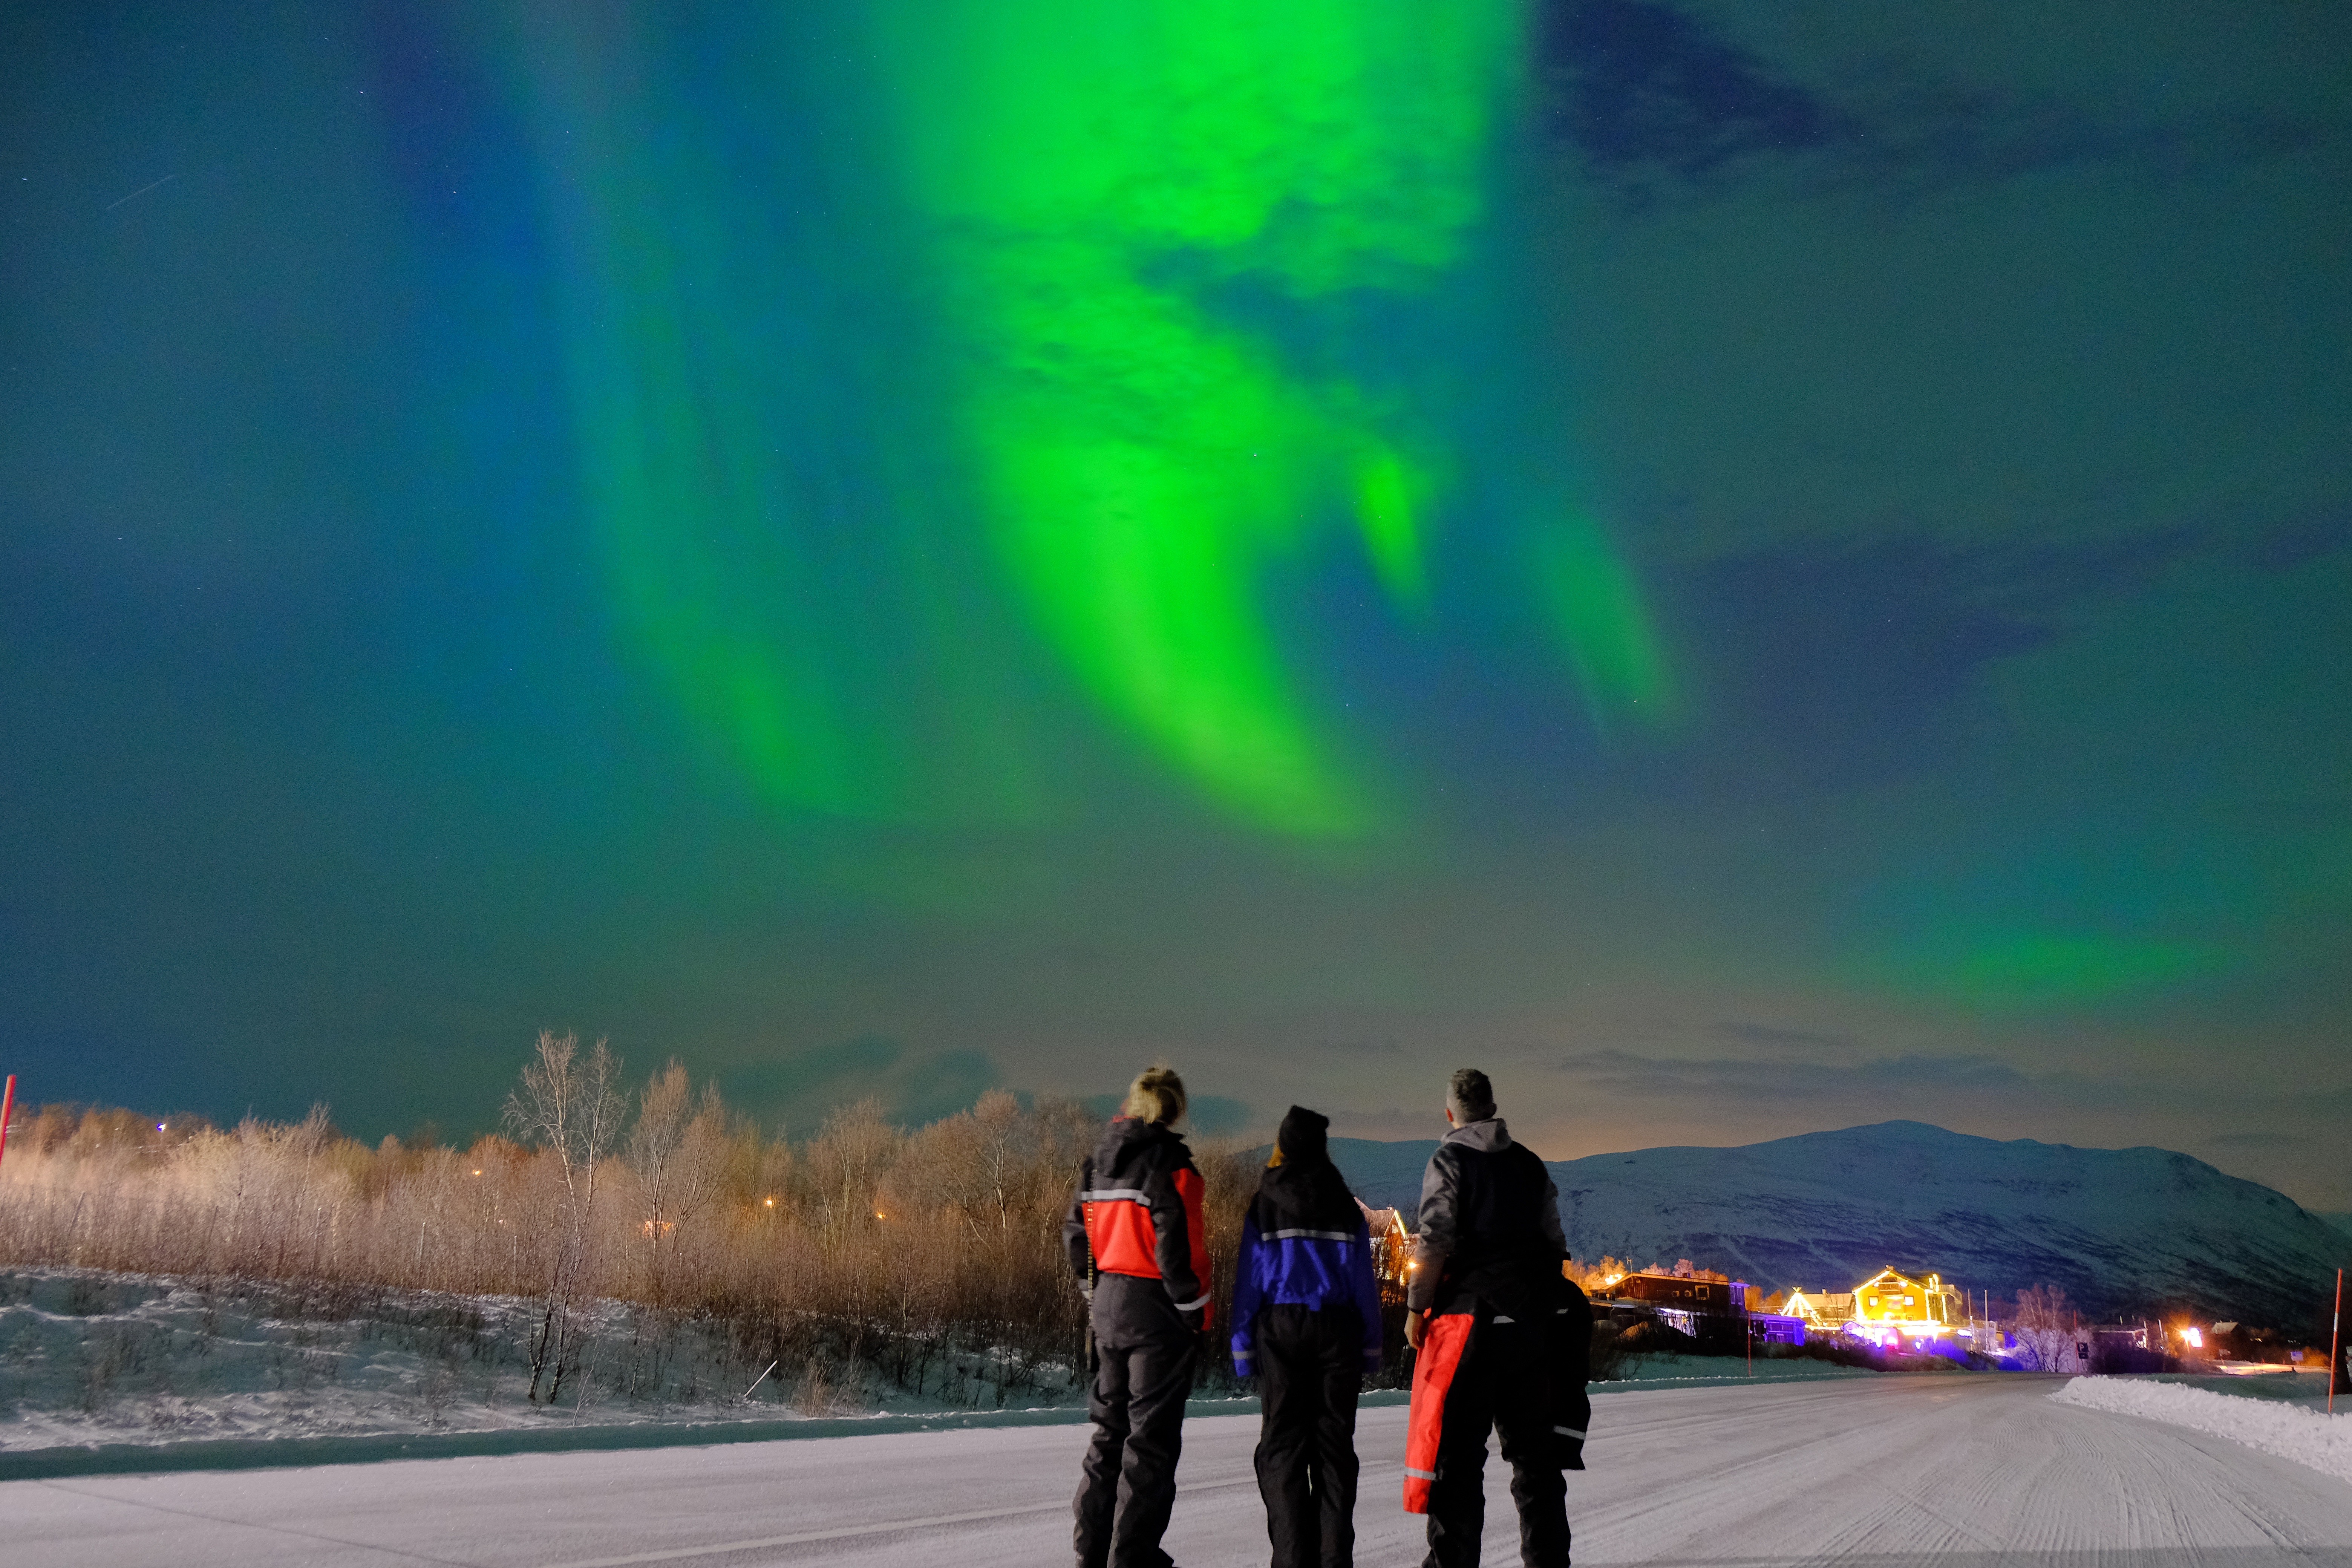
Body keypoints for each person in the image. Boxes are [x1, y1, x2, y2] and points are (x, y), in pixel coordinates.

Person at [1401, 1069, 1592, 1568]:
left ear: (1450, 1115)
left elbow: (1435, 1237)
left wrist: (1418, 1307)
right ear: (1492, 1108)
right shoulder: (1530, 1165)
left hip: (1471, 1329)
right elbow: (1554, 1242)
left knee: (1460, 1464)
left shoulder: (1448, 1160)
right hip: (1530, 1333)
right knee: (1536, 1465)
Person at [1065, 1065, 1215, 1568]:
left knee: (1108, 1434)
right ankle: (1131, 1556)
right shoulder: (1172, 1167)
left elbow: (1076, 1235)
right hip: (1156, 1316)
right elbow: (1182, 1253)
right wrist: (1196, 1315)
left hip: (1107, 1306)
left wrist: (1093, 1291)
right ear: (1175, 1110)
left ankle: (1091, 1549)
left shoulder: (1097, 1164)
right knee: (1148, 1444)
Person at [1231, 1105, 1385, 1568]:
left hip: (1281, 1332)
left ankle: (1292, 1557)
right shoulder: (1346, 1205)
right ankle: (1335, 1557)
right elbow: (1364, 1281)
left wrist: (1243, 1348)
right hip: (1338, 1332)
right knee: (1335, 1452)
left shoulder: (1265, 1203)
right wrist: (1371, 1347)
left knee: (1282, 1448)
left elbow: (1248, 1282)